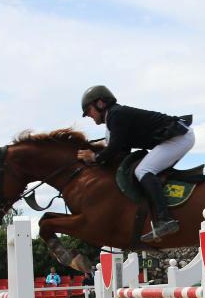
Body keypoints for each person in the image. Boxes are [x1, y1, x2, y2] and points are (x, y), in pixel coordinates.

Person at [77, 85, 194, 242]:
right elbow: (122, 152)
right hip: (175, 138)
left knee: (143, 170)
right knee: (144, 169)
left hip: (179, 138)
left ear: (100, 103)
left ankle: (165, 219)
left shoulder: (116, 115)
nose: (88, 115)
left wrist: (94, 157)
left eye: (89, 110)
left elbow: (114, 148)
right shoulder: (113, 118)